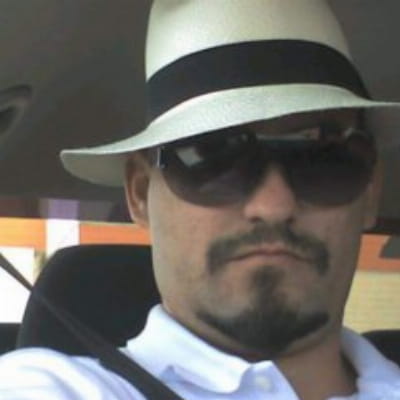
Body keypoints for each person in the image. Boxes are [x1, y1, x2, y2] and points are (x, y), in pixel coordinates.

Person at [1, 1, 400, 399]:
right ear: (140, 193)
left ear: (370, 191)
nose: (273, 206)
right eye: (214, 156)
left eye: (324, 158)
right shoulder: (54, 387)